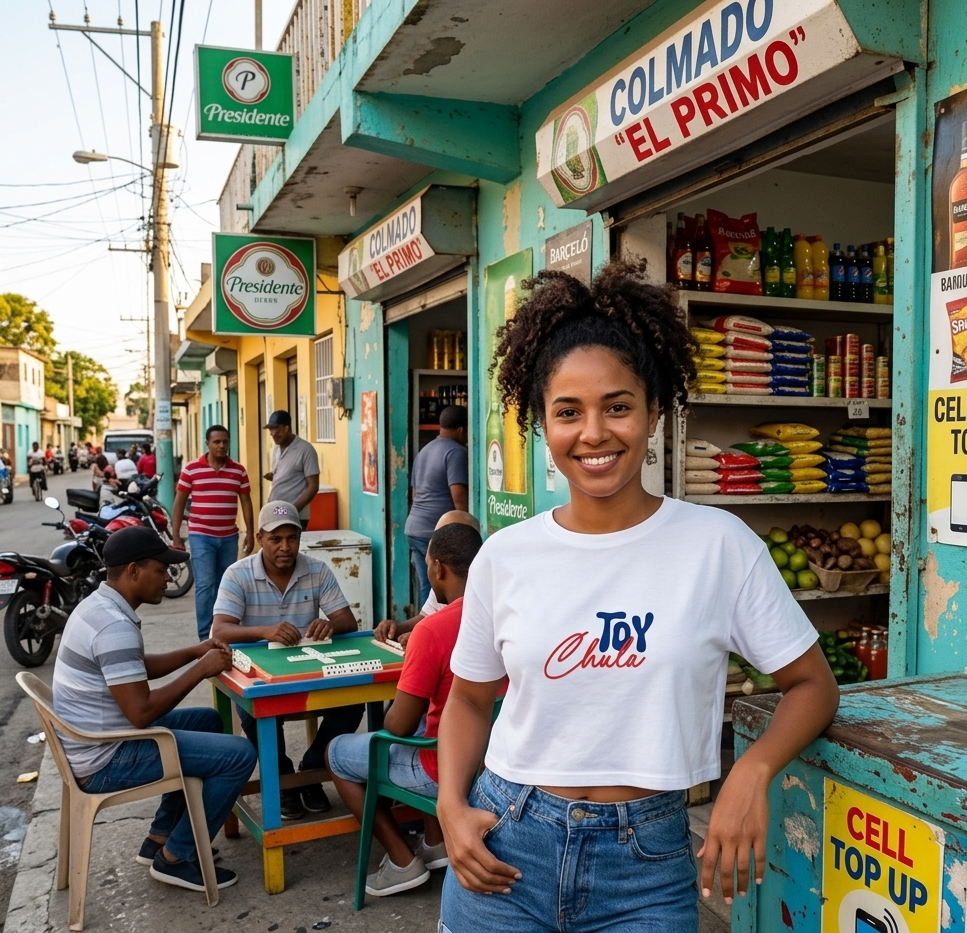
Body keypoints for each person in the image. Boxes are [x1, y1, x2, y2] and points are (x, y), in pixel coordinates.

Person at [435, 261, 840, 933]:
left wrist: (751, 769)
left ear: (654, 413)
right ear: (543, 423)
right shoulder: (505, 555)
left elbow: (811, 685)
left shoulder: (718, 545)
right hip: (505, 844)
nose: (593, 433)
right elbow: (470, 698)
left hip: (645, 866)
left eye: (617, 406)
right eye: (568, 412)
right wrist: (450, 803)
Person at [51, 524, 256, 892]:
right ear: (133, 571)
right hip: (106, 760)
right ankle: (178, 857)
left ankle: (159, 838)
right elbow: (141, 714)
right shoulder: (113, 626)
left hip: (97, 740)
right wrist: (200, 669)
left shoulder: (99, 605)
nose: (168, 578)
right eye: (160, 571)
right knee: (239, 755)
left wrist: (193, 652)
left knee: (207, 721)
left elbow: (135, 667)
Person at [327, 523, 483, 897]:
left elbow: (398, 724)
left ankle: (400, 860)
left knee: (336, 753)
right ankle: (434, 844)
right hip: (490, 759)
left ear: (438, 569)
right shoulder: (507, 614)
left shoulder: (434, 631)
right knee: (428, 728)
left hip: (441, 766)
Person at [211, 500, 362, 820]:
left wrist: (329, 625)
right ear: (260, 538)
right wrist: (267, 630)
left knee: (353, 703)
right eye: (275, 539)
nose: (284, 547)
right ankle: (284, 780)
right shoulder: (237, 574)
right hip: (256, 674)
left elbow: (348, 621)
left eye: (291, 538)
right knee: (254, 711)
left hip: (308, 672)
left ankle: (313, 768)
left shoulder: (317, 569)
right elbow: (220, 630)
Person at [172, 426, 254, 641]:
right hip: (201, 537)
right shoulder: (191, 470)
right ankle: (205, 638)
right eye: (217, 441)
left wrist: (251, 533)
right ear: (207, 443)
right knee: (205, 586)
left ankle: (223, 632)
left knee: (226, 586)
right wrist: (175, 537)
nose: (222, 446)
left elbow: (246, 502)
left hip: (229, 537)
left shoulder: (238, 471)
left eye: (225, 441)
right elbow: (179, 503)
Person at [374, 510, 480, 648]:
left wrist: (423, 636)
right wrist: (397, 628)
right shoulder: (444, 583)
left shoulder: (483, 588)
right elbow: (427, 616)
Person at [404, 405, 469, 607]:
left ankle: (420, 630)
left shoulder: (424, 450)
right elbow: (458, 494)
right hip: (434, 531)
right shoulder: (456, 452)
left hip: (414, 527)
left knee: (428, 586)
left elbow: (414, 494)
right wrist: (465, 529)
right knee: (444, 590)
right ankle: (431, 631)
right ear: (461, 430)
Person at [263, 411, 320, 530]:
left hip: (295, 515)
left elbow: (313, 486)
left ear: (286, 428)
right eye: (270, 430)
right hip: (276, 511)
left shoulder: (305, 449)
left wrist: (293, 510)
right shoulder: (277, 449)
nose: (273, 434)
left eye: (276, 429)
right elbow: (289, 473)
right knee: (277, 547)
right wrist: (274, 476)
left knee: (290, 548)